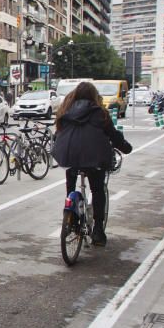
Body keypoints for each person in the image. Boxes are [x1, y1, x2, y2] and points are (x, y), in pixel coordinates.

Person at [52, 82, 132, 247]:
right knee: (97, 189)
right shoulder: (99, 113)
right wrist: (125, 147)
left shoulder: (64, 110)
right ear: (93, 96)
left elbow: (58, 134)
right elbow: (113, 135)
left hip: (69, 155)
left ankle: (70, 218)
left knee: (71, 180)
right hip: (94, 157)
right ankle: (98, 230)